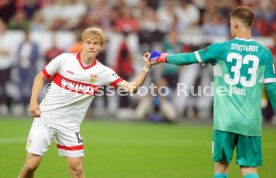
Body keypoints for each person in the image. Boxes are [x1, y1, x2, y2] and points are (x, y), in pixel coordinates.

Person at [149, 6, 276, 178]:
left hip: (225, 122)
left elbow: (188, 58)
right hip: (251, 123)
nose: (230, 27)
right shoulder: (265, 54)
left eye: (231, 24)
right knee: (249, 169)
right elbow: (272, 88)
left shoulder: (220, 49)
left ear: (237, 25)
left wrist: (163, 57)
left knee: (221, 167)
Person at [18, 27, 152, 178]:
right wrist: (33, 102)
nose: (91, 46)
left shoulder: (103, 72)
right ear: (82, 44)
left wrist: (146, 67)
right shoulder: (64, 59)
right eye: (88, 42)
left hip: (70, 126)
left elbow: (132, 88)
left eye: (96, 43)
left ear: (101, 47)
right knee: (31, 166)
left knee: (77, 171)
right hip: (45, 118)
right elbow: (40, 77)